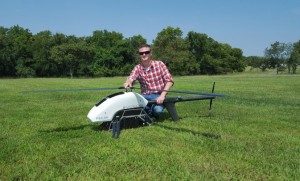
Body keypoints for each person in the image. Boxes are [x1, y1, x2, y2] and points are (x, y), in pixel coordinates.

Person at [123, 44, 174, 119]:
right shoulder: (137, 68)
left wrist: (162, 96)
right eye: (141, 53)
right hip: (144, 96)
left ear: (151, 53)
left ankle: (151, 112)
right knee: (134, 108)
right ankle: (149, 112)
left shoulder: (160, 64)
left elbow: (169, 81)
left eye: (146, 52)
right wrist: (128, 82)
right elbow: (131, 77)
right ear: (139, 55)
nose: (144, 54)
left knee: (158, 111)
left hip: (158, 95)